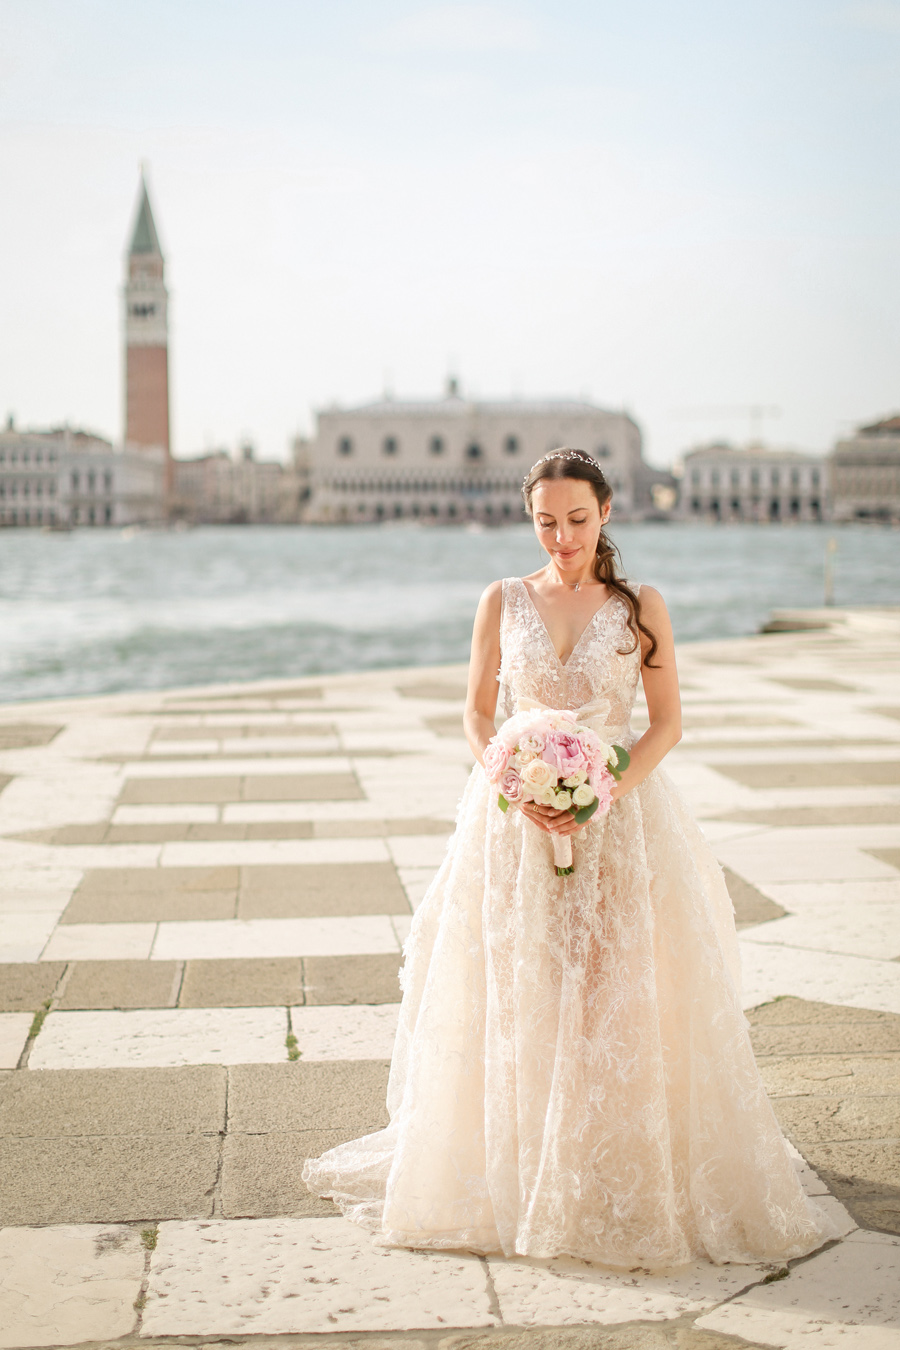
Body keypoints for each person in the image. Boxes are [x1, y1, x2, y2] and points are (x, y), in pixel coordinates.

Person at [303, 448, 837, 1269]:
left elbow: (665, 724)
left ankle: (607, 1161)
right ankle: (523, 1158)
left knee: (613, 988)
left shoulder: (640, 606)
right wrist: (511, 780)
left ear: (607, 512)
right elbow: (477, 713)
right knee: (522, 985)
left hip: (619, 822)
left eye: (577, 520)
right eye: (546, 521)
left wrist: (608, 782)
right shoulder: (502, 600)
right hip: (515, 822)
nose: (562, 537)